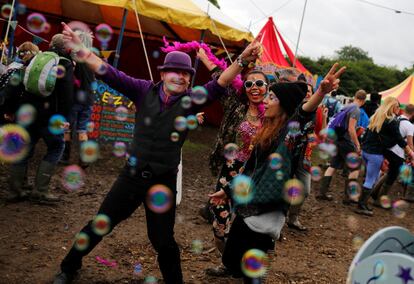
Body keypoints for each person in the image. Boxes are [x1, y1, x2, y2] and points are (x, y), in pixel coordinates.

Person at [53, 22, 261, 284]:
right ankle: (69, 267)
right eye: (175, 71)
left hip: (162, 181)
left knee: (163, 240)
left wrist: (241, 60)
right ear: (163, 74)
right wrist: (81, 49)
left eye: (186, 74)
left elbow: (220, 82)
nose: (181, 77)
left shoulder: (191, 101)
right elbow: (107, 71)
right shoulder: (142, 90)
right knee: (100, 223)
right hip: (131, 176)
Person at [208, 63, 345, 283]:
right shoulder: (267, 130)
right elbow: (250, 168)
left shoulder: (289, 133)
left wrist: (320, 92)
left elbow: (303, 113)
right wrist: (227, 190)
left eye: (271, 97)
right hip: (250, 204)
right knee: (234, 256)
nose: (265, 100)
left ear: (283, 104)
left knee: (253, 268)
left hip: (268, 206)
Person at [6, 36, 74, 203]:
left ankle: (15, 191)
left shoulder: (36, 57)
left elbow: (18, 84)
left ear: (50, 45)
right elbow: (66, 94)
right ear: (67, 49)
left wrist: (10, 109)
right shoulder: (64, 63)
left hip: (26, 112)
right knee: (56, 146)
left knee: (23, 148)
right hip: (48, 116)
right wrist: (65, 118)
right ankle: (40, 192)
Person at [358, 97, 414, 216]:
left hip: (366, 152)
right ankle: (361, 205)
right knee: (370, 180)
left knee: (368, 178)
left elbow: (366, 135)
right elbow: (399, 139)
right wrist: (410, 152)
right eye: (398, 107)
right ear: (392, 107)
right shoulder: (391, 121)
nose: (399, 109)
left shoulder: (376, 117)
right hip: (375, 154)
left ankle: (362, 202)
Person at [317, 89, 367, 202]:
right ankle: (348, 197)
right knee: (355, 168)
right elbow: (351, 128)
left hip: (337, 139)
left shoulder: (346, 106)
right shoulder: (356, 110)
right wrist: (357, 144)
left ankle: (322, 192)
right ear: (363, 101)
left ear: (355, 96)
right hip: (345, 141)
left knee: (333, 166)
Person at [60, 30, 96, 167]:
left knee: (67, 128)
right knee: (82, 129)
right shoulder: (93, 59)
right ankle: (84, 158)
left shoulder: (75, 59)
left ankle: (64, 155)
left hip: (75, 98)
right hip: (88, 99)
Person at [371, 104, 414, 206]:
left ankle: (374, 192)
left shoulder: (396, 119)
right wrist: (412, 157)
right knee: (392, 176)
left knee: (389, 173)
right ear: (413, 114)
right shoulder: (410, 126)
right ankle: (379, 201)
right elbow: (410, 143)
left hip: (387, 149)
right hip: (397, 153)